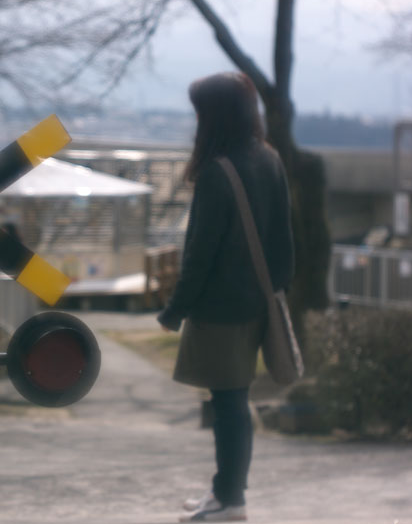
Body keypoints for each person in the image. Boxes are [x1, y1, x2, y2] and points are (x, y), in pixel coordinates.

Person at [157, 72, 294, 522]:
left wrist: (175, 309)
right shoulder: (269, 158)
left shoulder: (219, 170)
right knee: (233, 402)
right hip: (257, 301)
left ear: (213, 115)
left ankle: (230, 499)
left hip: (220, 309)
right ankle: (224, 492)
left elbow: (199, 254)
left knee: (229, 405)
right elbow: (284, 239)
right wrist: (273, 291)